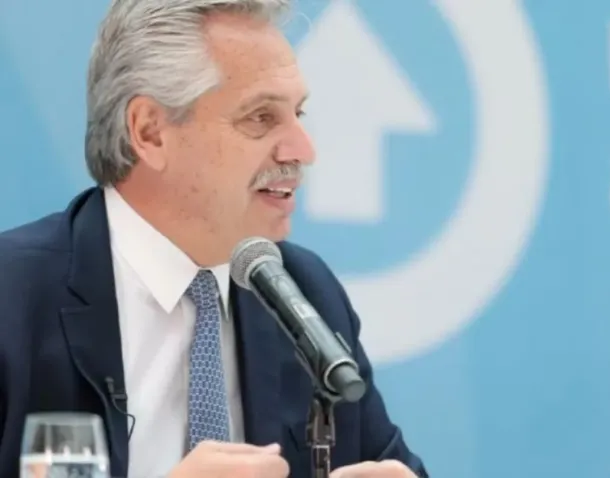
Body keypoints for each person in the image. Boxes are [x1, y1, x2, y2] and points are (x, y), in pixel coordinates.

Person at [0, 0, 428, 477]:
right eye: (260, 117)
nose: (303, 150)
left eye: (298, 114)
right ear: (150, 132)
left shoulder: (306, 292)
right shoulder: (12, 295)